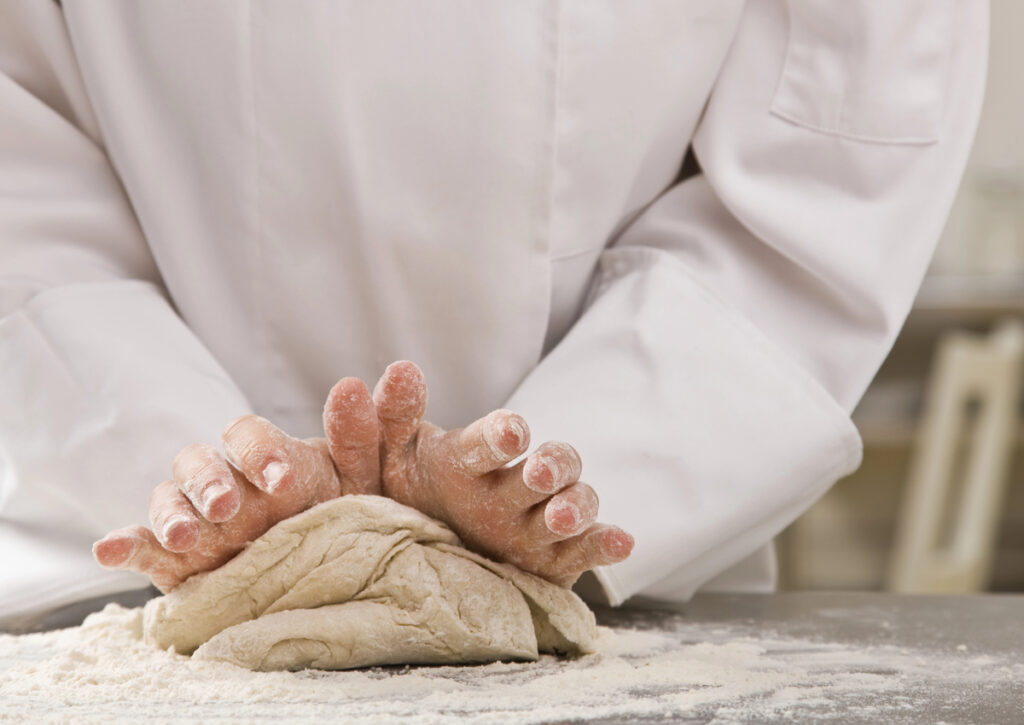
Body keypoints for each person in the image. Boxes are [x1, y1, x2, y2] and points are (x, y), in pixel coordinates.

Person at [0, 1, 988, 628]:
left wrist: (585, 459)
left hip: (607, 610)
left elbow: (837, 150)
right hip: (116, 584)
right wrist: (178, 460)